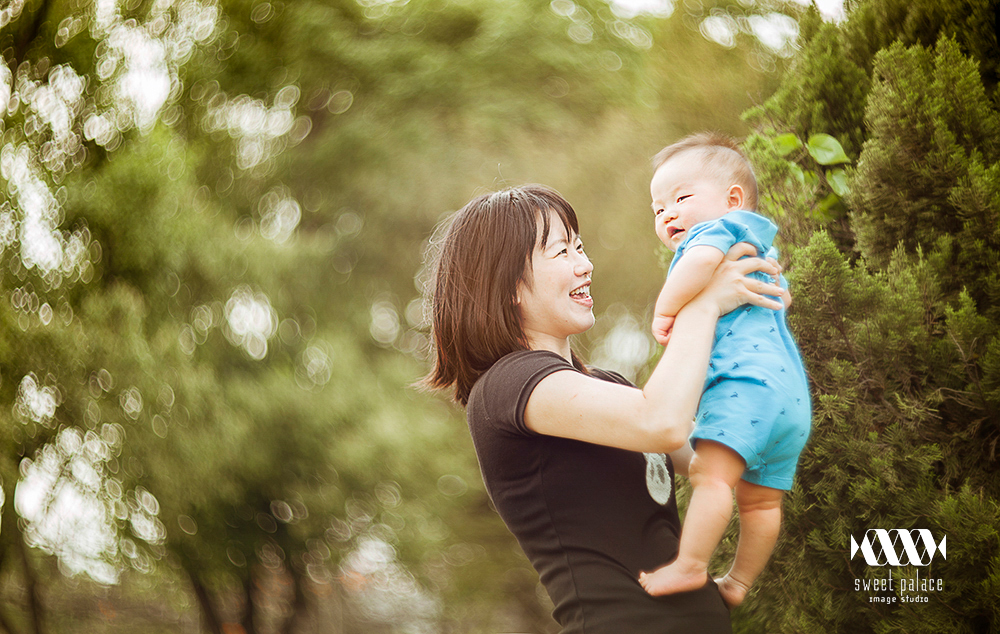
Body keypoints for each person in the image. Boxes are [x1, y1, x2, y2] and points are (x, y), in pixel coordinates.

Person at [423, 184, 788, 632]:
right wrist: (703, 304)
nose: (585, 264)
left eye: (580, 246)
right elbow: (662, 422)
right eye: (562, 252)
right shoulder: (507, 385)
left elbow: (725, 460)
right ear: (509, 285)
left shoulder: (607, 386)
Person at [637, 133, 811, 609]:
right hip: (790, 399)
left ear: (732, 199)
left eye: (681, 198)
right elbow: (783, 297)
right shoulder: (761, 248)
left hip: (744, 387)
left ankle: (691, 565)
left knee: (710, 478)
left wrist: (664, 309)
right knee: (762, 502)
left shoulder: (718, 231)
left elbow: (696, 268)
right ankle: (737, 583)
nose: (667, 213)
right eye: (657, 209)